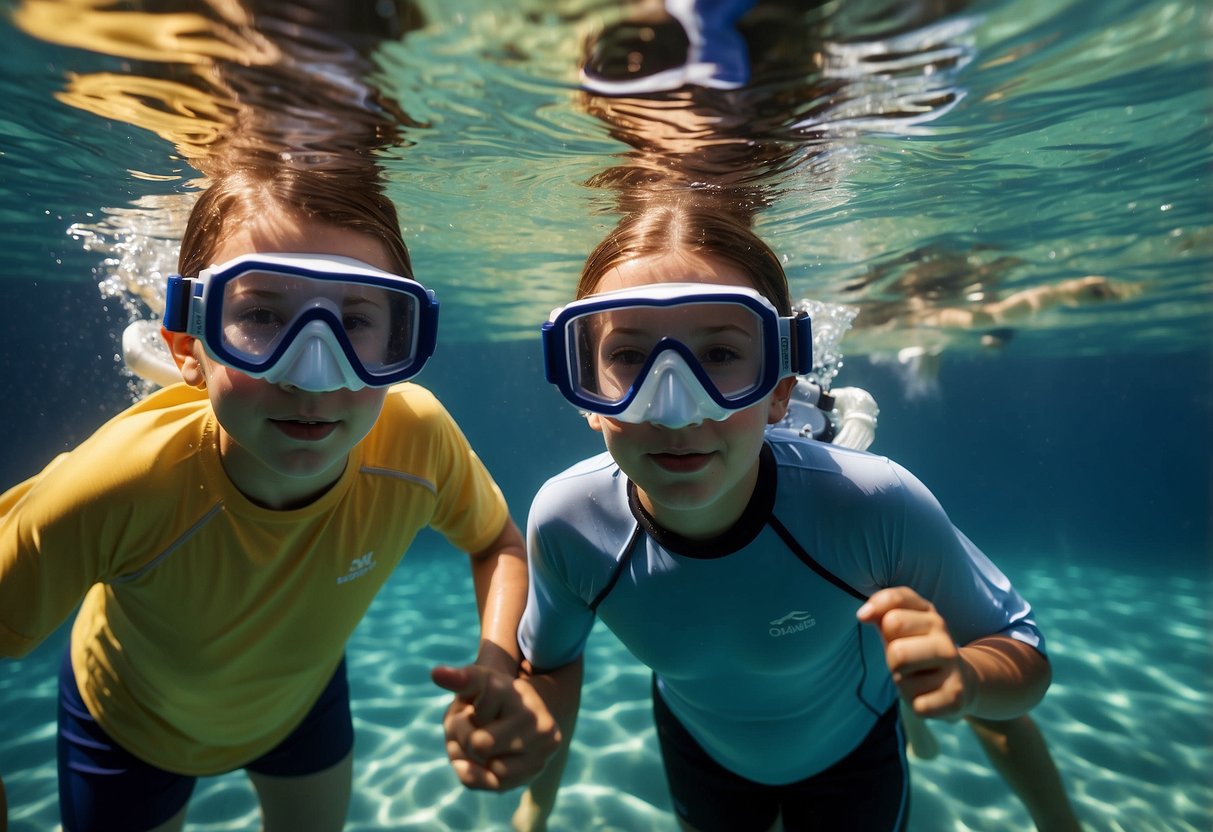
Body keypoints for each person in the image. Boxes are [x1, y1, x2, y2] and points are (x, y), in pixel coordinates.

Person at [0, 166, 556, 832]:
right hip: (125, 723)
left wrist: (498, 661)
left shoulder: (416, 439)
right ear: (187, 345)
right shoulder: (115, 483)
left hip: (300, 704)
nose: (313, 374)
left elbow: (496, 541)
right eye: (263, 316)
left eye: (355, 320)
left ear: (401, 343)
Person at [501, 202, 1051, 832]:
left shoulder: (874, 501)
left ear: (781, 388)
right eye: (629, 357)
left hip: (854, 756)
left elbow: (1023, 655)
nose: (677, 411)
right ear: (584, 391)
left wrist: (967, 679)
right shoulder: (567, 522)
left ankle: (912, 719)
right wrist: (531, 810)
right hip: (700, 756)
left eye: (720, 356)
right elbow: (548, 667)